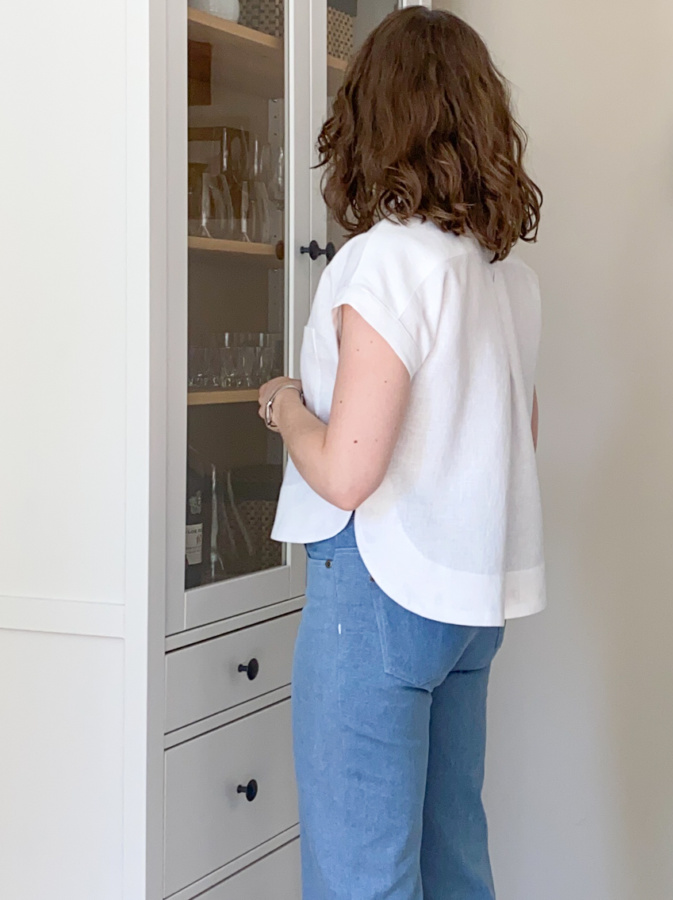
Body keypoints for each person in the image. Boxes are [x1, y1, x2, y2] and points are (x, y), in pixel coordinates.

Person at [259, 7, 545, 898]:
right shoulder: (506, 278)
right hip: (465, 599)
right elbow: (511, 442)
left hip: (375, 591)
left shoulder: (385, 262)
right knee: (453, 860)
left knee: (361, 878)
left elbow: (347, 471)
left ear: (372, 118)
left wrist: (284, 406)